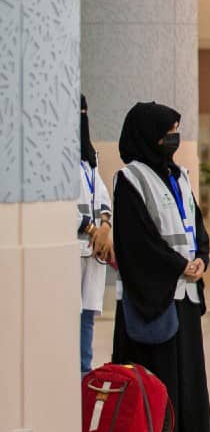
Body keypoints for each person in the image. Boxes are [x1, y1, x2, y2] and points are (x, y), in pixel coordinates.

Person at [111, 102, 210, 432]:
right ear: (148, 133)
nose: (173, 136)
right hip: (155, 291)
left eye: (176, 128)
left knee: (187, 369)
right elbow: (136, 240)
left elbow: (196, 223)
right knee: (160, 367)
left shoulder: (180, 174)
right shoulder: (131, 179)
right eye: (167, 129)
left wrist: (201, 255)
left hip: (184, 287)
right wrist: (176, 265)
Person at [78, 96, 113, 375]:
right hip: (74, 247)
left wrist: (104, 226)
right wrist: (91, 229)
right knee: (72, 313)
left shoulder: (90, 157)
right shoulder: (57, 156)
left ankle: (84, 372)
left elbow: (101, 194)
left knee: (88, 313)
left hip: (92, 249)